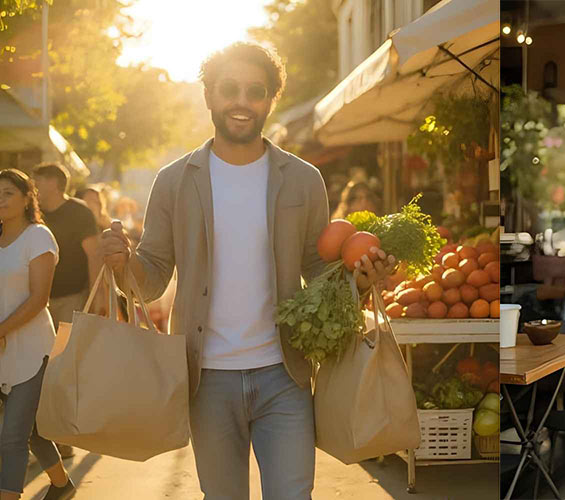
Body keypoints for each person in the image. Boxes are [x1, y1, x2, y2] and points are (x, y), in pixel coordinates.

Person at [98, 42, 395, 500]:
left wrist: (360, 278)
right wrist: (123, 265)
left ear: (270, 99)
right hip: (206, 379)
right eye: (229, 89)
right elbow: (152, 274)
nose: (242, 101)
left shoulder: (303, 179)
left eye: (255, 91)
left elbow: (318, 271)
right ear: (209, 96)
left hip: (285, 376)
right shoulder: (175, 181)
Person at [0, 169, 76, 500]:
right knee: (30, 431)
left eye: (7, 193)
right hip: (2, 348)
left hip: (32, 350)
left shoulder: (38, 237)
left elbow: (39, 298)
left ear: (27, 198)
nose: (0, 199)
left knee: (12, 436)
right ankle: (62, 486)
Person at [32, 163, 102, 459]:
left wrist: (96, 297)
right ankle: (42, 435)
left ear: (53, 184)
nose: (33, 188)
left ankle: (62, 438)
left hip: (70, 300)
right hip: (35, 302)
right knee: (37, 370)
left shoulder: (79, 212)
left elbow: (94, 253)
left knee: (61, 370)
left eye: (38, 182)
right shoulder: (31, 214)